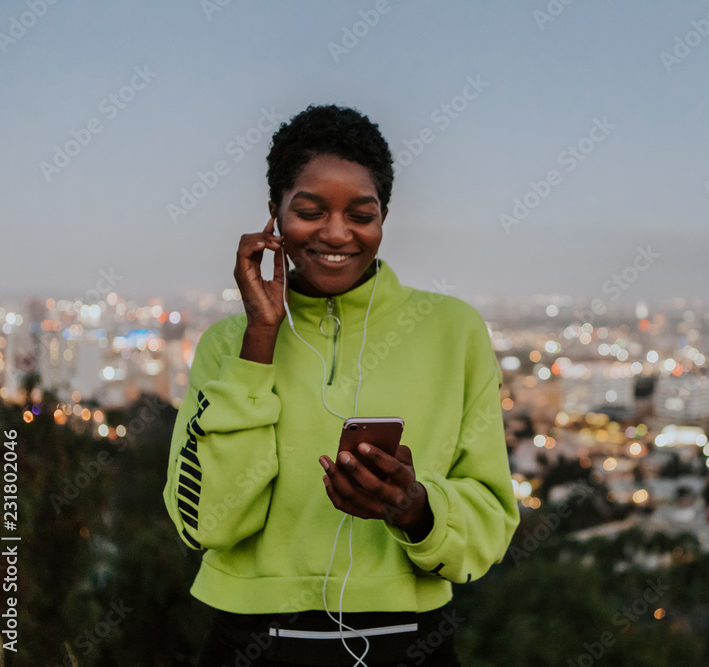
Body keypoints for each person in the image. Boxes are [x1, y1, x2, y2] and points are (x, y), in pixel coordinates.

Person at [162, 104, 520, 666]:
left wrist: (416, 508)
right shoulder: (225, 344)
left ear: (385, 216)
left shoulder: (454, 331)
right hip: (251, 643)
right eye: (308, 210)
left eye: (361, 213)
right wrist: (260, 337)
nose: (336, 233)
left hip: (410, 640)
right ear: (274, 212)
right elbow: (207, 522)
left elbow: (492, 519)